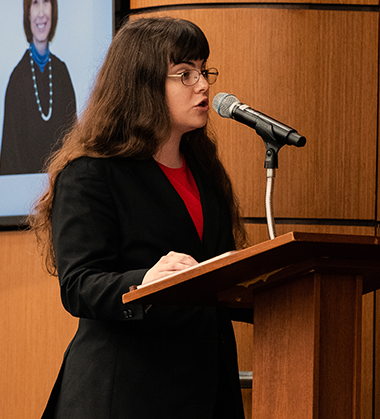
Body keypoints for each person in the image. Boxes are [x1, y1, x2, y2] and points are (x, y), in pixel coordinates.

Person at [29, 17, 250, 419]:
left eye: (203, 70)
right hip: (126, 393)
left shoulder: (205, 171)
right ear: (142, 84)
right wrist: (144, 281)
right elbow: (79, 284)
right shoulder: (91, 174)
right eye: (185, 74)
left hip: (205, 391)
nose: (203, 85)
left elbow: (217, 274)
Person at [0, 0, 77, 175]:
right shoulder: (17, 79)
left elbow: (74, 144)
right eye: (35, 3)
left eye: (46, 2)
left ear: (53, 9)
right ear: (27, 13)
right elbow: (10, 157)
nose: (41, 12)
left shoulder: (62, 73)